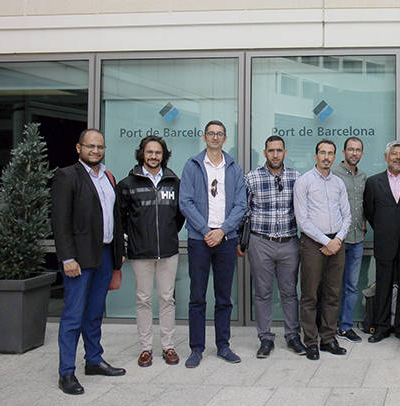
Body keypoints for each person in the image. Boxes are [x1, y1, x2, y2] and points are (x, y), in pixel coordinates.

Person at [52, 129, 126, 395]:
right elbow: (60, 222)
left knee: (94, 314)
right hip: (79, 259)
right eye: (90, 146)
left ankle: (93, 360)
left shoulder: (108, 177)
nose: (95, 150)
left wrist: (119, 250)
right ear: (78, 147)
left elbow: (114, 217)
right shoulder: (67, 176)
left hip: (105, 255)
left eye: (100, 146)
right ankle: (66, 373)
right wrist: (67, 258)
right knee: (73, 316)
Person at [179, 120, 247, 368]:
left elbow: (241, 205)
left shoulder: (234, 168)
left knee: (224, 297)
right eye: (211, 133)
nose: (215, 137)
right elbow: (185, 202)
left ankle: (223, 345)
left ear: (225, 138)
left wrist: (223, 231)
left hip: (226, 241)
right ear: (204, 136)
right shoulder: (192, 165)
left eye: (219, 134)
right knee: (197, 297)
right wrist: (207, 231)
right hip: (200, 240)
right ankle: (196, 348)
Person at [117, 136, 185, 368]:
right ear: (142, 154)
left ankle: (168, 346)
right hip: (140, 252)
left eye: (158, 152)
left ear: (163, 155)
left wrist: (166, 234)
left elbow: (179, 217)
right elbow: (122, 219)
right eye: (149, 152)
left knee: (167, 299)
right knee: (143, 299)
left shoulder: (174, 182)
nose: (153, 156)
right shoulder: (128, 184)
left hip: (168, 251)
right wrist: (133, 239)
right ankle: (145, 348)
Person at [244, 136, 306, 358]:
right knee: (262, 293)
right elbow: (243, 210)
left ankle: (292, 335)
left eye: (279, 150)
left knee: (290, 293)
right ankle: (265, 338)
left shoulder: (296, 177)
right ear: (265, 152)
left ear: (285, 153)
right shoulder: (251, 177)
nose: (275, 154)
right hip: (261, 241)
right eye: (271, 150)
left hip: (289, 242)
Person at [294, 139, 352, 360]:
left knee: (332, 293)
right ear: (315, 156)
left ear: (335, 157)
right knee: (310, 295)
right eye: (323, 153)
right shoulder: (304, 182)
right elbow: (302, 220)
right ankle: (311, 341)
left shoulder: (338, 183)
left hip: (337, 242)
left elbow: (347, 215)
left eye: (330, 153)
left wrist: (337, 239)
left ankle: (328, 339)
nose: (327, 157)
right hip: (312, 243)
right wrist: (324, 242)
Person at [364, 141, 400, 343]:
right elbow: (369, 211)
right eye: (394, 154)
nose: (398, 158)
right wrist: (383, 228)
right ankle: (381, 326)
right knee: (383, 285)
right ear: (386, 157)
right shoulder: (373, 182)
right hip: (384, 241)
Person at [332, 136, 367, 343]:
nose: (354, 153)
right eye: (351, 149)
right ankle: (327, 325)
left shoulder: (363, 176)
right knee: (332, 285)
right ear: (344, 152)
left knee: (351, 285)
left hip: (357, 239)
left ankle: (345, 326)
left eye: (358, 150)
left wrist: (362, 222)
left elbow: (363, 205)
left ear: (362, 154)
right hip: (337, 239)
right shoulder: (333, 174)